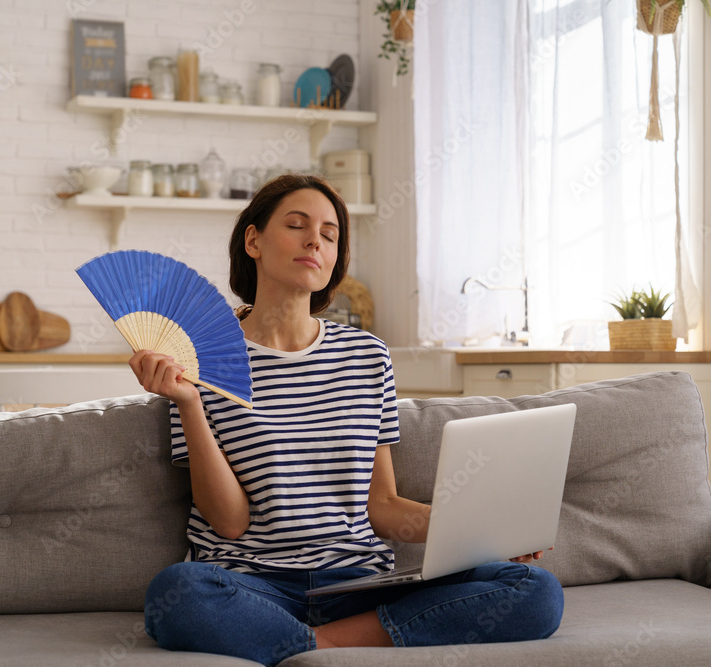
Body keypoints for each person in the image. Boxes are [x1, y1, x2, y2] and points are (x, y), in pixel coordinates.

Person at [129, 174, 563, 666]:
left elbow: (381, 505)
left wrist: (484, 533)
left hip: (360, 584)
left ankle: (317, 648)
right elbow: (229, 523)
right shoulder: (199, 358)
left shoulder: (366, 356)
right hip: (253, 585)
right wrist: (188, 402)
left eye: (330, 234)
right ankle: (345, 647)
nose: (316, 239)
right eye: (297, 225)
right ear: (253, 239)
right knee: (178, 593)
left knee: (536, 590)